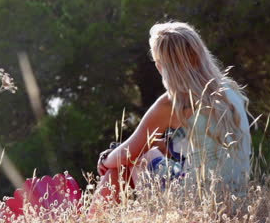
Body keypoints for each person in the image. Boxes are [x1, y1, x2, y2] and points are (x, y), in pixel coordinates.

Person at [91, 21, 252, 211]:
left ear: (161, 66)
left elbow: (125, 154)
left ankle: (89, 217)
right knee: (150, 152)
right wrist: (159, 146)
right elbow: (207, 147)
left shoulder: (173, 102)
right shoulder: (229, 91)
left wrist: (105, 159)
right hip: (239, 199)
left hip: (196, 202)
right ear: (201, 54)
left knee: (127, 164)